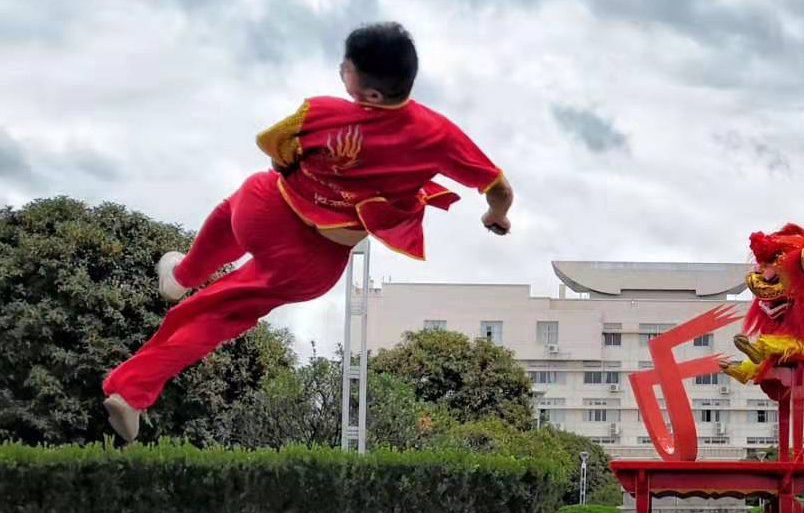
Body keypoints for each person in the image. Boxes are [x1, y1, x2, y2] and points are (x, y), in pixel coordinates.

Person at [102, 22, 512, 442]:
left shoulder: (319, 113)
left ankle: (182, 275)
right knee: (218, 314)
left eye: (347, 68)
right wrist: (495, 217)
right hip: (310, 262)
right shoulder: (439, 135)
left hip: (265, 207)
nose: (341, 70)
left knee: (234, 207)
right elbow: (498, 188)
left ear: (371, 94)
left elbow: (277, 156)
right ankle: (131, 392)